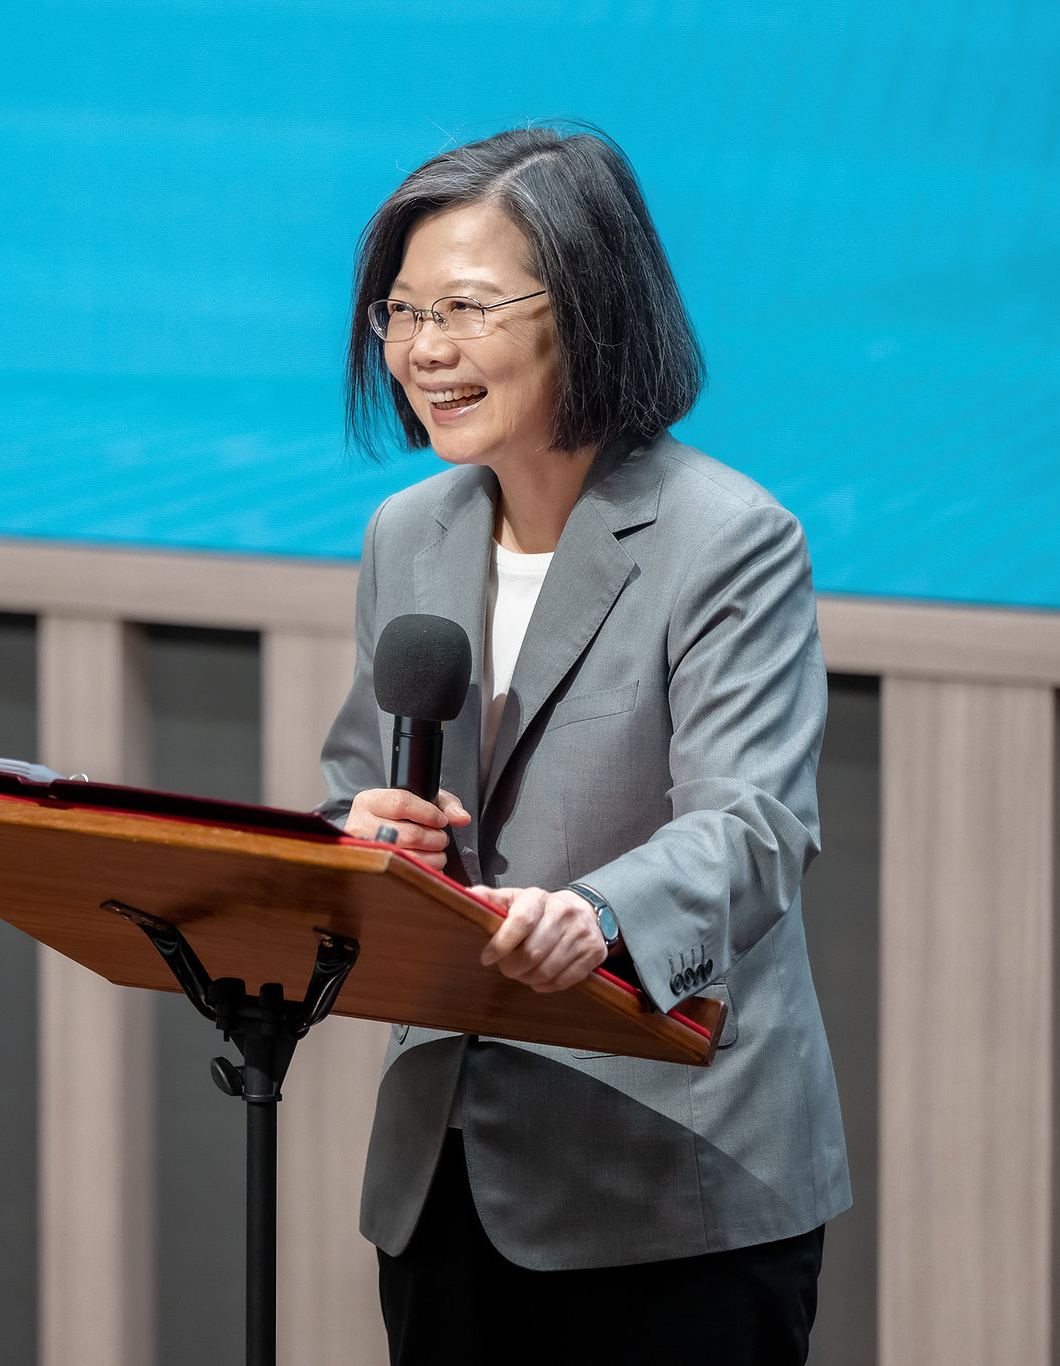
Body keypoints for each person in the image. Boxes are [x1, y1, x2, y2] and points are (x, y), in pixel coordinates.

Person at [316, 126, 849, 1365]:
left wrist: (598, 913)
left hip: (669, 1180)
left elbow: (751, 830)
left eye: (464, 307)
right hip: (446, 1172)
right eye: (402, 312)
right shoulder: (407, 531)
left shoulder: (725, 539)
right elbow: (354, 784)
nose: (423, 350)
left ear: (590, 308)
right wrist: (359, 833)